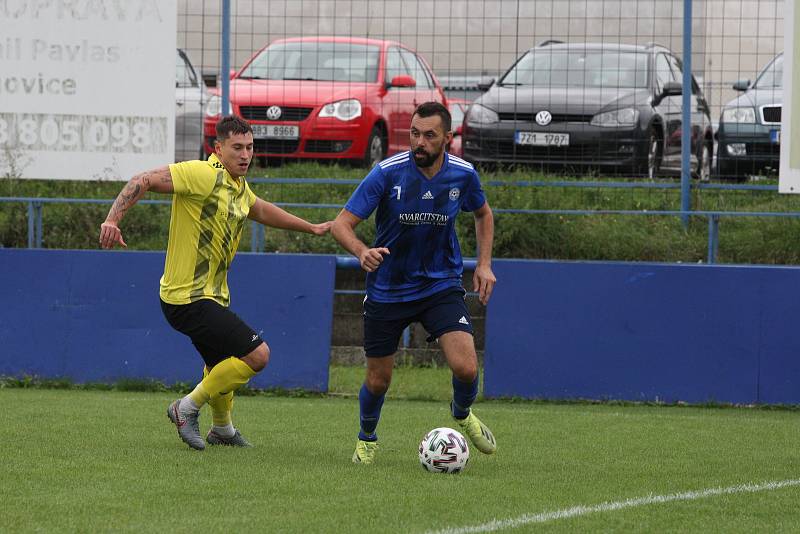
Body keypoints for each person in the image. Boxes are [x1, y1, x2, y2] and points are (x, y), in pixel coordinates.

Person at [99, 115, 331, 450]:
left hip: (210, 296)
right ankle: (186, 407)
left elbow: (262, 211)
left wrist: (312, 228)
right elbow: (144, 179)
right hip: (187, 298)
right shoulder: (203, 174)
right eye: (237, 147)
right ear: (217, 149)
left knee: (221, 364)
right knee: (257, 355)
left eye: (250, 148)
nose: (245, 155)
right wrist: (112, 219)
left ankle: (222, 429)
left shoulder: (238, 187)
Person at [331, 101, 497, 464]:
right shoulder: (387, 173)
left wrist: (484, 265)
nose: (419, 142)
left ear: (448, 139)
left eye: (429, 136)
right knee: (378, 380)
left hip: (440, 284)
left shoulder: (463, 174)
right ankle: (367, 438)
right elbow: (341, 224)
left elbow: (483, 213)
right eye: (415, 134)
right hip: (388, 288)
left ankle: (460, 412)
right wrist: (361, 251)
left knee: (467, 368)